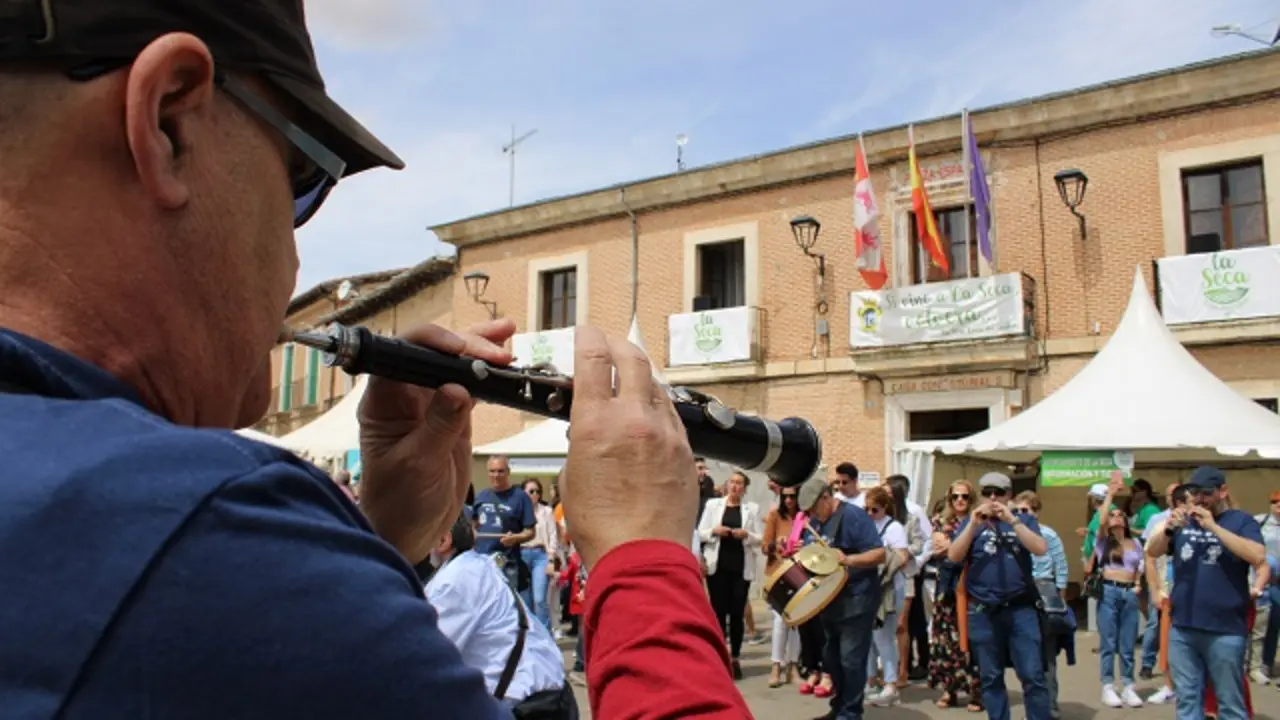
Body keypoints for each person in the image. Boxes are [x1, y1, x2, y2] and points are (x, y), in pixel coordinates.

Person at [0, 4, 751, 715]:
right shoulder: (205, 527)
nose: (294, 261)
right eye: (302, 181)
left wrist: (369, 543)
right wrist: (644, 557)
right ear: (167, 120)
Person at [425, 513, 576, 717]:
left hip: (528, 706)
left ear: (443, 540)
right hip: (550, 696)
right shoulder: (476, 565)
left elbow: (427, 659)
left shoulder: (453, 582)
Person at [1146, 466, 1266, 720]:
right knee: (1188, 700)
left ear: (1223, 491)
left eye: (1206, 494)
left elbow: (1257, 555)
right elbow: (1153, 551)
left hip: (1225, 629)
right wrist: (1168, 530)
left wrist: (1214, 528)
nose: (1199, 500)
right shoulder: (1184, 521)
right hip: (1183, 627)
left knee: (1230, 702)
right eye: (1195, 493)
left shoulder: (1241, 521)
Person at [946, 472, 1050, 720]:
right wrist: (972, 525)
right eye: (987, 493)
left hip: (1019, 607)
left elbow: (1040, 548)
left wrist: (1013, 521)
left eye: (999, 493)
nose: (993, 499)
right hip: (983, 610)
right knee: (990, 677)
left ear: (1009, 495)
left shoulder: (1023, 520)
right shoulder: (971, 523)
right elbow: (953, 556)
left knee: (1032, 674)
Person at [797, 474, 886, 720]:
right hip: (830, 601)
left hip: (858, 599)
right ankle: (839, 707)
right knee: (831, 659)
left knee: (851, 660)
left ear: (827, 497)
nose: (814, 515)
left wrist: (848, 559)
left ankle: (850, 713)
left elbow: (879, 553)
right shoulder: (815, 524)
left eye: (815, 508)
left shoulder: (853, 516)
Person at [697, 470, 763, 679]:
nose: (735, 486)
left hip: (740, 566)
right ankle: (717, 657)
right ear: (727, 486)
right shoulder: (713, 506)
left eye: (739, 483)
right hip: (718, 566)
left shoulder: (751, 509)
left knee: (737, 614)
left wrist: (747, 535)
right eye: (732, 482)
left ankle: (735, 657)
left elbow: (759, 538)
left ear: (744, 488)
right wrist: (714, 531)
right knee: (718, 613)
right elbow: (700, 532)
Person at [1090, 476, 1145, 708]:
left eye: (1118, 514)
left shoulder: (1135, 544)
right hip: (1110, 591)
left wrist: (1138, 585)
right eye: (1112, 515)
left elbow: (1140, 566)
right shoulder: (1104, 542)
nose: (1115, 517)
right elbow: (1101, 520)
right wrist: (1110, 495)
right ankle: (1107, 685)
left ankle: (1128, 685)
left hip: (1129, 592)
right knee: (1108, 642)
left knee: (1127, 642)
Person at [474, 456, 537, 592]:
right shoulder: (481, 496)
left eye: (500, 471)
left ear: (508, 472)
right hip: (481, 561)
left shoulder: (521, 497)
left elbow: (530, 532)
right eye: (492, 471)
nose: (496, 475)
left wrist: (515, 538)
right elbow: (473, 525)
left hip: (506, 562)